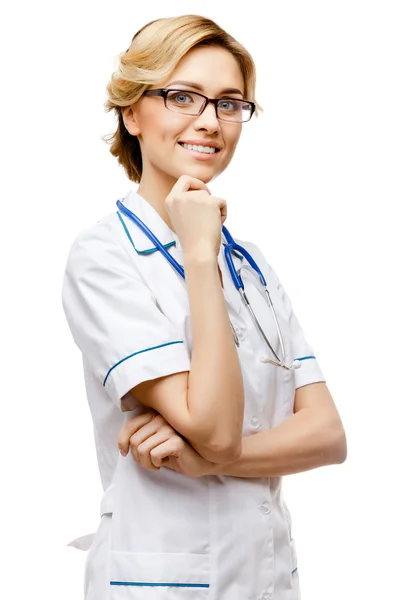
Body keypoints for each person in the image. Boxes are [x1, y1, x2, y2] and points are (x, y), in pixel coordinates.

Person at [62, 13, 347, 600]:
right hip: (163, 583)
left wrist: (208, 459)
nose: (209, 121)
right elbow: (217, 430)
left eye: (229, 102)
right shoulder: (104, 257)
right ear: (132, 112)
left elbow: (327, 435)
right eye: (182, 96)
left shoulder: (250, 263)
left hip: (267, 576)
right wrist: (196, 255)